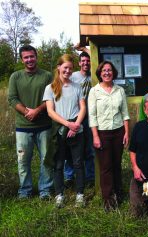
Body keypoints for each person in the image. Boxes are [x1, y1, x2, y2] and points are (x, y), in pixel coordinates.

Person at [8, 45, 53, 199]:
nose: (29, 60)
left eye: (31, 56)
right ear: (22, 60)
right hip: (23, 127)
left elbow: (51, 97)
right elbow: (12, 99)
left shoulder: (47, 76)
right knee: (23, 161)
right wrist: (27, 112)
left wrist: (37, 110)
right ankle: (25, 190)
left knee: (46, 159)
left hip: (44, 126)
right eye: (26, 57)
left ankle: (45, 190)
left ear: (36, 57)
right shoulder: (15, 76)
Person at [43, 54, 86, 208]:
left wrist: (76, 124)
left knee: (78, 163)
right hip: (59, 130)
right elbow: (50, 111)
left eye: (70, 68)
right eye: (65, 67)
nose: (68, 71)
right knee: (58, 164)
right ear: (59, 68)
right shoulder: (50, 88)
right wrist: (68, 124)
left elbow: (83, 107)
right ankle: (59, 194)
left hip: (77, 130)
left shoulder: (77, 87)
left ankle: (80, 194)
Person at [88, 60, 130, 211]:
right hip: (102, 133)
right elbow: (92, 116)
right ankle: (108, 199)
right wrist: (95, 136)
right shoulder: (94, 91)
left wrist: (126, 133)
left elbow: (125, 114)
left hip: (118, 131)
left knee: (117, 165)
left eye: (109, 70)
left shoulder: (120, 90)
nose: (107, 73)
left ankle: (119, 194)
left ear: (113, 73)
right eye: (104, 70)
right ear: (100, 73)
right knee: (106, 168)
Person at [64, 51, 95, 186]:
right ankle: (69, 176)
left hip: (90, 117)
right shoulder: (74, 76)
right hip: (75, 116)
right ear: (79, 63)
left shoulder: (94, 75)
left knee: (89, 149)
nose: (86, 63)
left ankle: (89, 177)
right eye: (83, 61)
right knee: (71, 147)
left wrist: (84, 48)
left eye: (88, 61)